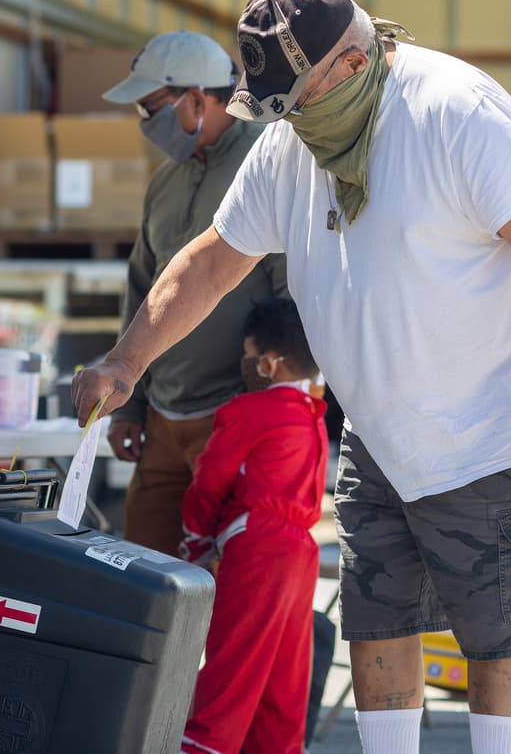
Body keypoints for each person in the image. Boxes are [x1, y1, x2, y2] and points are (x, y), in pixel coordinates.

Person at [74, 0, 511, 754]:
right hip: (378, 438)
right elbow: (212, 263)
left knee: (499, 636)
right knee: (379, 624)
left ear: (352, 67)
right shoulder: (292, 143)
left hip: (491, 432)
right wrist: (125, 362)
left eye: (297, 105)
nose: (287, 128)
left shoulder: (454, 108)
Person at [100, 30, 288, 557]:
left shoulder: (266, 164)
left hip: (234, 417)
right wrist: (130, 406)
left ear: (197, 99)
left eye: (151, 107)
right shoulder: (164, 182)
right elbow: (141, 289)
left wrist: (265, 414)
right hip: (162, 419)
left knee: (228, 587)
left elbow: (289, 301)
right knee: (143, 583)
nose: (144, 123)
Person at [179, 299, 328, 754]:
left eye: (248, 356)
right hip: (303, 552)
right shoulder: (313, 416)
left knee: (232, 671)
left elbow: (209, 482)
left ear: (266, 363)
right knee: (284, 682)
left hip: (257, 546)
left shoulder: (248, 411)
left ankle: (203, 747)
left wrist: (196, 544)